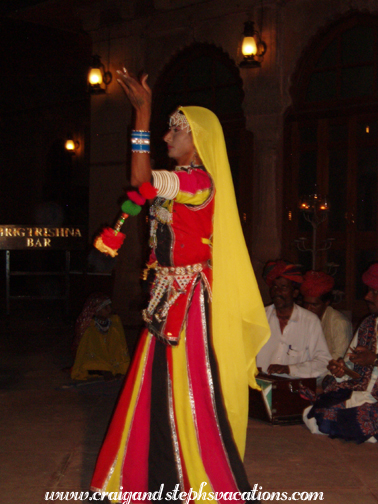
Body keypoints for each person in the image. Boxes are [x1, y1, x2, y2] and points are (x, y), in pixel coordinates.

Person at [90, 68, 270, 501]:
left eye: (176, 131)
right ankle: (146, 478)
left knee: (188, 391)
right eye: (166, 130)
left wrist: (142, 115)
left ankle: (198, 480)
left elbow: (141, 182)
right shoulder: (180, 184)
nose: (168, 138)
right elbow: (141, 197)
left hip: (189, 300)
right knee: (152, 386)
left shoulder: (199, 183)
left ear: (199, 140)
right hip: (165, 296)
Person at [303, 262, 378, 443]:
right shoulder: (368, 324)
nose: (367, 296)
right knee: (311, 414)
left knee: (354, 419)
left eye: (374, 292)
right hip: (362, 393)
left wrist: (374, 360)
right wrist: (341, 370)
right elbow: (350, 366)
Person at [256, 260, 331, 379]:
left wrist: (290, 369)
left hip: (293, 390)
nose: (277, 292)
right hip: (260, 385)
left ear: (295, 293)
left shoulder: (310, 321)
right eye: (274, 287)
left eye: (283, 287)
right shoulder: (258, 317)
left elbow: (323, 362)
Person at [71, 292, 130, 381]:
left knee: (126, 367)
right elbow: (88, 352)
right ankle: (104, 370)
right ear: (96, 311)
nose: (109, 310)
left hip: (113, 360)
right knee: (87, 366)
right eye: (105, 307)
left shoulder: (115, 321)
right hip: (95, 361)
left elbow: (120, 346)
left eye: (110, 306)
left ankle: (110, 369)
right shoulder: (90, 327)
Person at [301, 270, 352, 360]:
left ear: (326, 303)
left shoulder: (339, 323)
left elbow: (340, 359)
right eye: (306, 304)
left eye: (314, 305)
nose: (308, 309)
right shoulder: (305, 319)